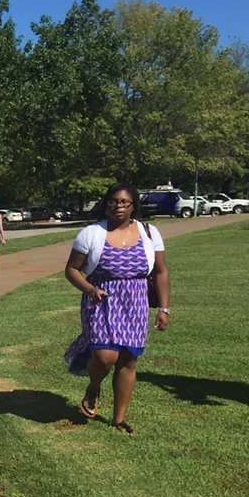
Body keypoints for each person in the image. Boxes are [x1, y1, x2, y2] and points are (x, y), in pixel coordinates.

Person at [64, 183, 170, 434]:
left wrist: (164, 308)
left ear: (133, 205)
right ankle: (94, 386)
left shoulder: (149, 232)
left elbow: (161, 271)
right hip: (101, 299)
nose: (118, 207)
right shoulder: (91, 233)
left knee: (128, 359)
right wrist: (89, 289)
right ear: (106, 204)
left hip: (136, 301)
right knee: (105, 355)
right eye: (113, 202)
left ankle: (118, 419)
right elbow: (71, 269)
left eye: (124, 202)